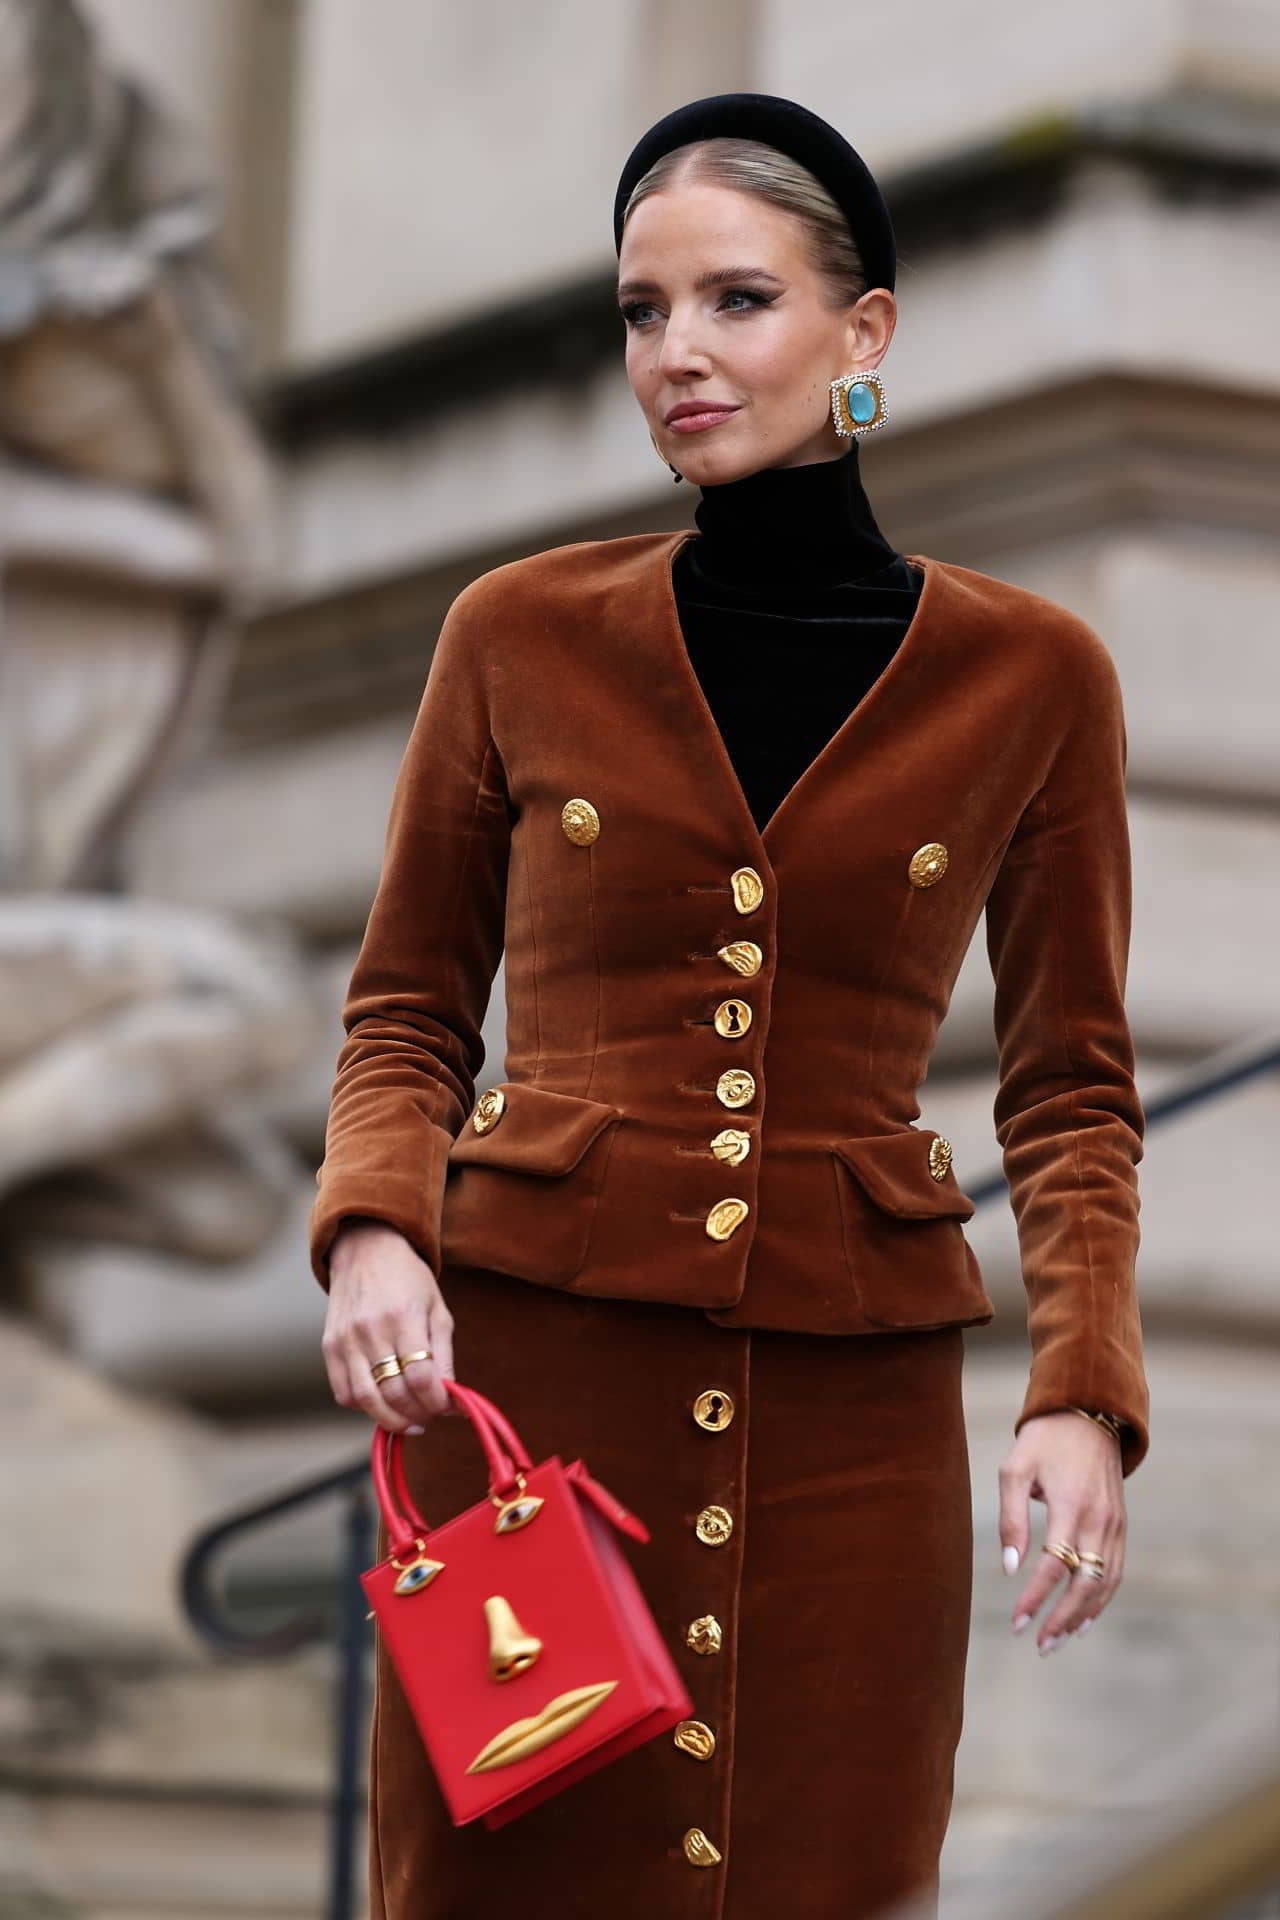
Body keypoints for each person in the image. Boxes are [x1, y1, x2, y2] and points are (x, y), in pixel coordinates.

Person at [309, 92, 1150, 1920]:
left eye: (736, 301)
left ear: (867, 336)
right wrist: (376, 1232)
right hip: (538, 1383)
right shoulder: (514, 634)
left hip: (859, 1417)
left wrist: (1082, 1392)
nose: (677, 353)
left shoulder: (1034, 676)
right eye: (640, 309)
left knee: (828, 1875)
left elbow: (1071, 1089)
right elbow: (405, 1010)